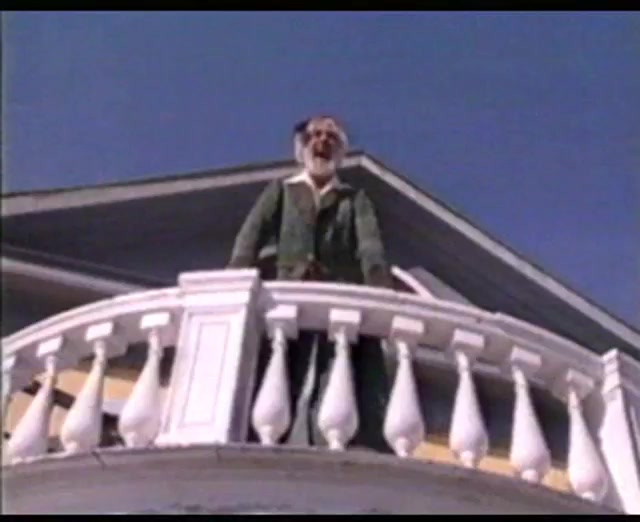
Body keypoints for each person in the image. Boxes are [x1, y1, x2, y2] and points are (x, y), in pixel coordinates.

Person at [228, 115, 392, 452]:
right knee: (279, 372)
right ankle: (266, 443)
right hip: (287, 301)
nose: (322, 142)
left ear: (340, 152)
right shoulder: (282, 190)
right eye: (315, 135)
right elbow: (250, 237)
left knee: (336, 375)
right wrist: (233, 279)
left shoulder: (353, 199)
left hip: (335, 305)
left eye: (331, 137)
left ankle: (329, 444)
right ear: (303, 147)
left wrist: (381, 293)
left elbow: (370, 249)